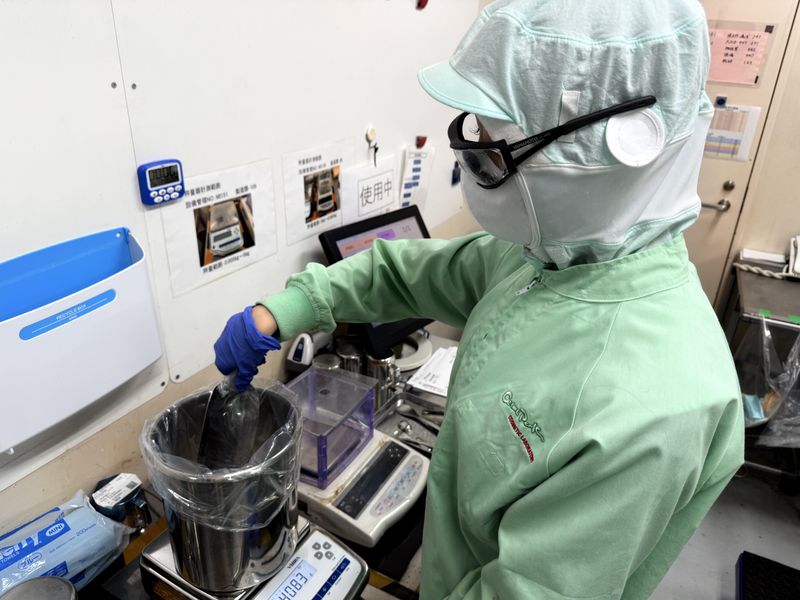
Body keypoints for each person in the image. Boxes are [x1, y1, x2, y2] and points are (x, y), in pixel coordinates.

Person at [215, 1, 745, 597]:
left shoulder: (654, 410)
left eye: (495, 151)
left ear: (610, 151)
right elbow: (408, 273)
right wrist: (287, 308)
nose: (475, 162)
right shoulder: (551, 255)